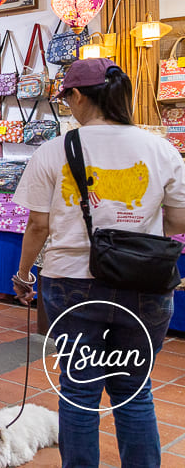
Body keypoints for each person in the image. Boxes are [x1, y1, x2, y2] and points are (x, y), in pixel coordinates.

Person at [11, 58, 185, 467]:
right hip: (144, 287)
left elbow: (38, 225)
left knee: (79, 391)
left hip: (72, 285)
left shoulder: (55, 150)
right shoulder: (161, 148)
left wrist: (23, 276)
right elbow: (179, 219)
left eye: (66, 97)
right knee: (134, 390)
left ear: (75, 95)